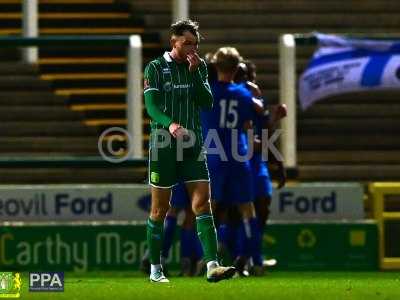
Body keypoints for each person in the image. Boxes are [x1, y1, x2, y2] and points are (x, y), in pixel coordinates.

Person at [143, 19, 235, 283]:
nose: (192, 48)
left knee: (202, 203)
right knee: (160, 209)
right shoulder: (156, 68)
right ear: (174, 42)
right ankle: (155, 268)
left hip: (192, 144)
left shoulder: (199, 67)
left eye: (195, 44)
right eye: (187, 43)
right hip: (163, 145)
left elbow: (207, 102)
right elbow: (151, 108)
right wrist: (170, 124)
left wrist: (196, 74)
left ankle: (212, 265)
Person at [201, 47, 263, 277]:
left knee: (209, 209)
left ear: (215, 66)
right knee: (248, 210)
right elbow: (253, 120)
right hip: (239, 156)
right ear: (237, 69)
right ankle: (254, 262)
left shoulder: (205, 92)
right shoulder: (243, 94)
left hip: (214, 157)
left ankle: (206, 262)